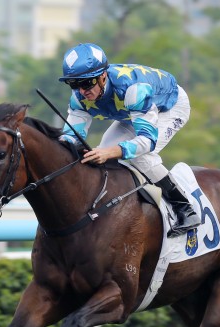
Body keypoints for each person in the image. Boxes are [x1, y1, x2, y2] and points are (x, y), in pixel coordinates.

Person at [58, 43, 200, 237]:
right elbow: (70, 138)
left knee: (139, 156)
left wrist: (108, 152)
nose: (82, 91)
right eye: (74, 84)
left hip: (169, 107)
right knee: (105, 149)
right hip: (133, 113)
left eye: (86, 83)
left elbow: (146, 141)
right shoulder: (79, 97)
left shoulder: (134, 89)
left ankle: (184, 209)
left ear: (103, 76)